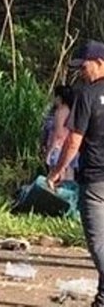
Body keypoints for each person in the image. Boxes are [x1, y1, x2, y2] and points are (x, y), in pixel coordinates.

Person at [48, 41, 104, 307]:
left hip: (96, 180)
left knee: (98, 243)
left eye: (83, 66)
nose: (81, 72)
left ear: (100, 63)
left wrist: (57, 171)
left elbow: (73, 141)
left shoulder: (86, 94)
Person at [46, 84, 77, 181]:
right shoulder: (71, 111)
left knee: (55, 178)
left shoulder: (60, 112)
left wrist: (49, 151)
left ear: (59, 98)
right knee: (69, 177)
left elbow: (58, 133)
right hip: (69, 149)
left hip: (58, 149)